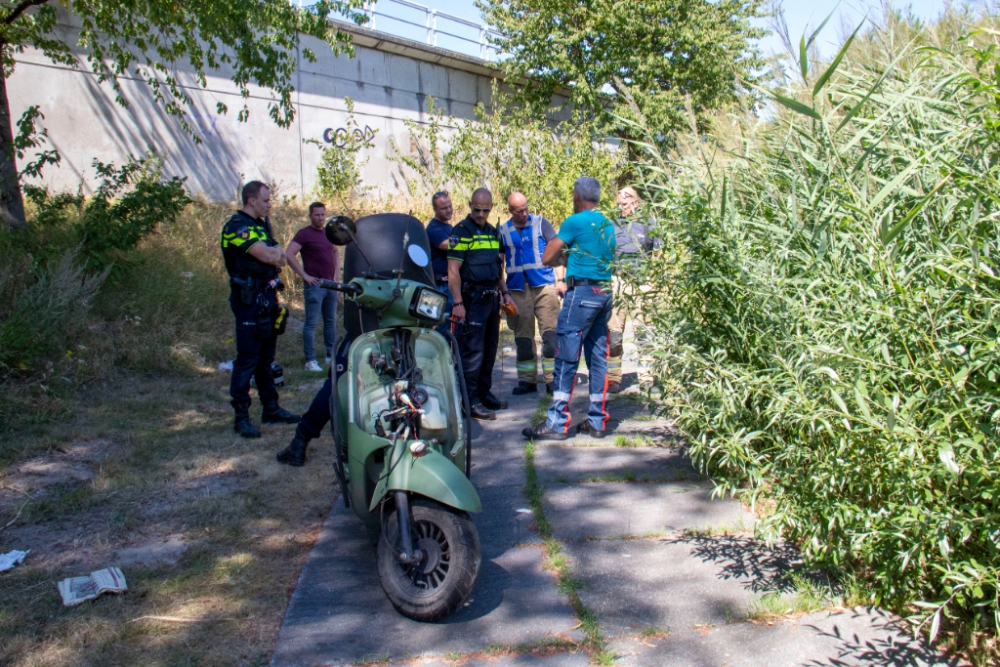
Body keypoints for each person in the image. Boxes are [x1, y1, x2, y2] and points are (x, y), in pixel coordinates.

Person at [522, 177, 616, 441]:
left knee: (565, 358)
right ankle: (597, 422)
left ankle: (556, 422)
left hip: (582, 294)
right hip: (604, 293)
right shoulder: (607, 223)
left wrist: (568, 257)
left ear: (576, 196)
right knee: (598, 359)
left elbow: (548, 256)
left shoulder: (575, 221)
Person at [220, 181, 301, 438]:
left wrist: (274, 252)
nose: (270, 204)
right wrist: (273, 253)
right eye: (266, 200)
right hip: (248, 300)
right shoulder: (237, 227)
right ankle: (241, 417)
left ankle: (271, 409)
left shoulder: (261, 225)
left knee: (266, 359)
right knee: (247, 360)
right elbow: (269, 256)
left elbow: (282, 257)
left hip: (266, 297)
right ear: (251, 200)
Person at [448, 187, 515, 421]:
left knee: (489, 349)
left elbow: (497, 268)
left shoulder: (492, 232)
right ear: (469, 205)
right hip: (471, 299)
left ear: (491, 208)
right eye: (476, 209)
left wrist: (505, 293)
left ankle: (484, 394)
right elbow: (453, 270)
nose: (480, 214)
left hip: (492, 299)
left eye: (485, 210)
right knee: (472, 352)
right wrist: (457, 302)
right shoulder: (461, 232)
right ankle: (470, 401)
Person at [499, 192, 564, 395]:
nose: (525, 213)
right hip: (518, 290)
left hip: (545, 287)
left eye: (526, 208)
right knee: (523, 339)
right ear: (510, 210)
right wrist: (503, 291)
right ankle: (527, 381)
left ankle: (552, 381)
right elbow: (498, 264)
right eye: (519, 211)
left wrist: (560, 280)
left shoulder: (540, 223)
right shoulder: (503, 231)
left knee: (551, 336)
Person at [607, 186, 659, 392]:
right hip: (617, 284)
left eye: (625, 204)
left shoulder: (650, 223)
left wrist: (654, 283)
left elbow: (658, 254)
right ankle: (613, 378)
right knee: (614, 336)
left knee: (644, 333)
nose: (621, 208)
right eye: (618, 204)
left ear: (636, 203)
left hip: (642, 284)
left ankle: (647, 378)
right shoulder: (611, 225)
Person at [286, 202, 341, 371]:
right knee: (311, 323)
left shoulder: (328, 233)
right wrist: (304, 276)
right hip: (315, 285)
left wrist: (336, 276)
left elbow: (336, 252)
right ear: (310, 216)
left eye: (323, 214)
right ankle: (310, 361)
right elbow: (289, 254)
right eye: (317, 215)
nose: (320, 218)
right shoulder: (305, 234)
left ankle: (329, 356)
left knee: (331, 322)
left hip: (331, 285)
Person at [425, 191, 455, 333]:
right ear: (435, 210)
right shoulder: (434, 228)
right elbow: (445, 244)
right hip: (440, 286)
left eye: (450, 206)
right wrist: (469, 241)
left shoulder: (447, 227)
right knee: (440, 323)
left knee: (451, 324)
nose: (448, 210)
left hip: (449, 284)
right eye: (444, 208)